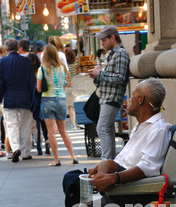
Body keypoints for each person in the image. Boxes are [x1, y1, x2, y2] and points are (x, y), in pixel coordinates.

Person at [53, 77, 172, 207]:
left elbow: (148, 168)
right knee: (76, 181)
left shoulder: (158, 129)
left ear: (141, 100)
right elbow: (122, 160)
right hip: (123, 192)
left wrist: (114, 178)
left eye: (132, 95)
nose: (128, 100)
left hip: (134, 194)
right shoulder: (140, 127)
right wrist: (103, 168)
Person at [87, 25, 130, 160]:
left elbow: (121, 77)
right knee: (107, 129)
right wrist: (97, 75)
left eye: (104, 40)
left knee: (102, 128)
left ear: (112, 37)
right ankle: (109, 160)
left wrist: (100, 74)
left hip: (112, 97)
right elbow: (110, 76)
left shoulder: (121, 53)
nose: (102, 43)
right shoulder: (111, 54)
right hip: (106, 96)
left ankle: (106, 160)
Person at [37, 43, 78, 166]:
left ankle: (56, 159)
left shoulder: (42, 69)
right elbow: (66, 83)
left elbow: (39, 89)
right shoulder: (63, 68)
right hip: (61, 100)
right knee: (63, 131)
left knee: (51, 132)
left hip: (47, 100)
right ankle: (73, 156)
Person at [0, 38, 36, 162]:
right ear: (17, 47)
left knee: (11, 124)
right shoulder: (26, 61)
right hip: (25, 98)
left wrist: (0, 96)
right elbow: (31, 81)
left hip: (9, 98)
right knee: (26, 125)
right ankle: (25, 152)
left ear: (6, 49)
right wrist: (32, 98)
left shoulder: (2, 62)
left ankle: (15, 148)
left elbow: (0, 82)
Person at [64, 47, 77, 129]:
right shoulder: (76, 65)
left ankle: (73, 124)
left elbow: (65, 78)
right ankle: (78, 122)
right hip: (76, 86)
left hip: (68, 87)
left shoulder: (65, 67)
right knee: (77, 105)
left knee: (70, 107)